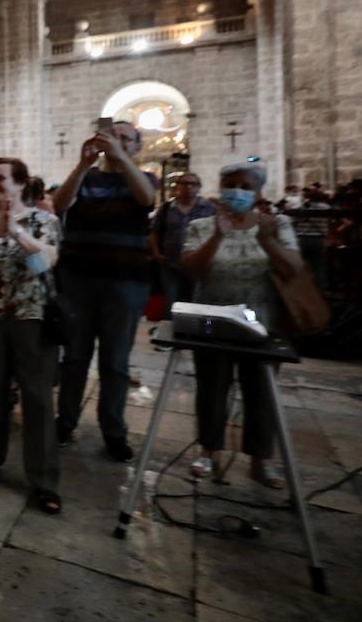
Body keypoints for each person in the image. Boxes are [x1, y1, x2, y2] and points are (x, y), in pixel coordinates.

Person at [180, 162, 302, 488]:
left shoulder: (277, 224)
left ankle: (261, 459)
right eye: (231, 185)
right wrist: (216, 239)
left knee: (261, 392)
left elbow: (294, 268)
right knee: (211, 388)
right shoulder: (202, 226)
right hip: (212, 319)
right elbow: (191, 269)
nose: (237, 192)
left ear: (258, 193)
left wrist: (268, 240)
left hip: (261, 322)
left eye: (246, 186)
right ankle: (208, 451)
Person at [0, 158, 62, 513]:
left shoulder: (43, 220)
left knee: (36, 399)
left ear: (20, 184)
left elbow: (47, 259)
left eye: (1, 179)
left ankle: (44, 480)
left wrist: (15, 231)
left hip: (30, 318)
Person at [52, 120, 157, 461]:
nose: (117, 143)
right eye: (112, 137)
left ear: (137, 147)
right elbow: (59, 205)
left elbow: (147, 199)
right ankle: (65, 422)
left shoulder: (143, 178)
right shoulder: (88, 177)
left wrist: (122, 160)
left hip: (124, 283)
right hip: (79, 281)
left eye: (125, 139)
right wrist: (83, 163)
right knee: (75, 358)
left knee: (115, 361)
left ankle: (113, 430)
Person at [149, 173, 216, 309]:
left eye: (193, 184)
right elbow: (154, 231)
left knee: (197, 300)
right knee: (171, 302)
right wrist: (157, 253)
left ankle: (197, 329)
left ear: (199, 187)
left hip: (198, 263)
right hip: (170, 263)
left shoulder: (209, 208)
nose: (188, 187)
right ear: (178, 186)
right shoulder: (167, 208)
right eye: (184, 183)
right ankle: (172, 328)